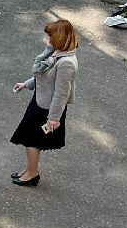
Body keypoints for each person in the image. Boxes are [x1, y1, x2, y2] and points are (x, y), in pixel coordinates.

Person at [10, 18, 79, 187]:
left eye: (49, 36)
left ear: (59, 38)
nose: (46, 39)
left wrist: (53, 118)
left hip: (47, 109)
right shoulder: (55, 52)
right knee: (30, 139)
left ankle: (32, 174)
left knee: (31, 140)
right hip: (39, 102)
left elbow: (61, 93)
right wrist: (26, 84)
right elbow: (44, 76)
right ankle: (30, 169)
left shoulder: (66, 63)